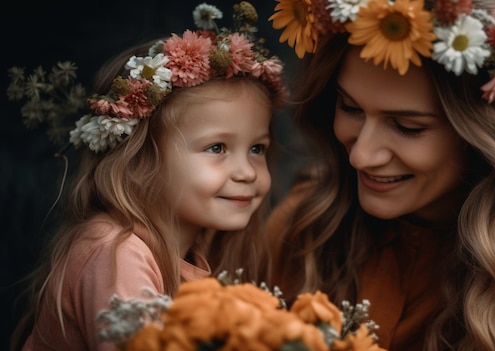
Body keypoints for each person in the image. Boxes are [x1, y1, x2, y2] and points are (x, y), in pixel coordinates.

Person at [266, 0, 495, 350]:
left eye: (407, 127)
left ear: (485, 136)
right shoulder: (306, 226)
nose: (361, 156)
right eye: (350, 108)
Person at [8, 2, 286, 350]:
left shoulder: (197, 252)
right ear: (140, 160)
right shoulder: (115, 253)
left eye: (257, 149)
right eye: (217, 148)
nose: (247, 172)